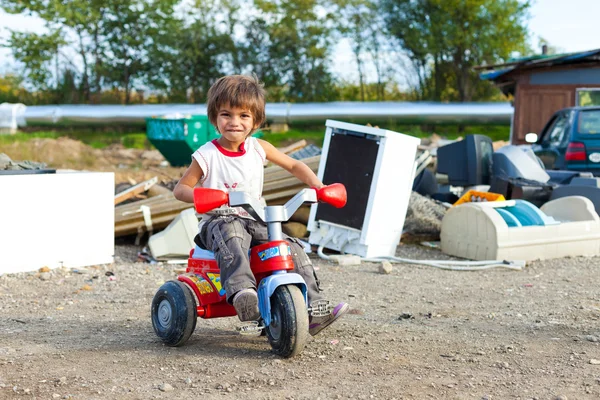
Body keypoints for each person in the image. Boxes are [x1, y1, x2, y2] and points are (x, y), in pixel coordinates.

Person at [173, 74, 349, 336]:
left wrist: (318, 187)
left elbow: (294, 164)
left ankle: (312, 307)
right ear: (214, 118)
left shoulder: (259, 148)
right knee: (232, 230)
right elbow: (181, 189)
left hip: (255, 219)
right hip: (218, 222)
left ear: (256, 120)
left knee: (290, 246)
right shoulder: (206, 155)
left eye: (244, 116)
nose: (235, 123)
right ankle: (243, 293)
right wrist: (208, 196)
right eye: (226, 115)